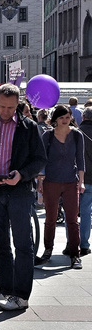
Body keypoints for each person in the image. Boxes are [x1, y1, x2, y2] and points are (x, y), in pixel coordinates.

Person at [0, 83, 46, 312]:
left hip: (19, 190)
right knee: (0, 244)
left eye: (11, 108)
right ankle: (5, 289)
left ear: (18, 104)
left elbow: (40, 159)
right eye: (3, 107)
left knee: (23, 244)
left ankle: (21, 295)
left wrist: (22, 175)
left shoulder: (29, 127)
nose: (6, 112)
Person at [36, 104, 85, 269]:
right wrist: (40, 181)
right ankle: (47, 250)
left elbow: (80, 160)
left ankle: (75, 254)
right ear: (55, 119)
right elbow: (41, 159)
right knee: (50, 219)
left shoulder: (77, 135)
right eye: (62, 117)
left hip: (71, 181)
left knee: (72, 220)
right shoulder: (47, 136)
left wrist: (82, 181)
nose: (65, 120)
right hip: (51, 181)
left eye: (68, 117)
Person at [79, 107, 92, 258]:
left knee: (70, 213)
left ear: (83, 117)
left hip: (75, 178)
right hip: (90, 179)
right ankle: (84, 244)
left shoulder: (75, 133)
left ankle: (71, 243)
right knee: (86, 212)